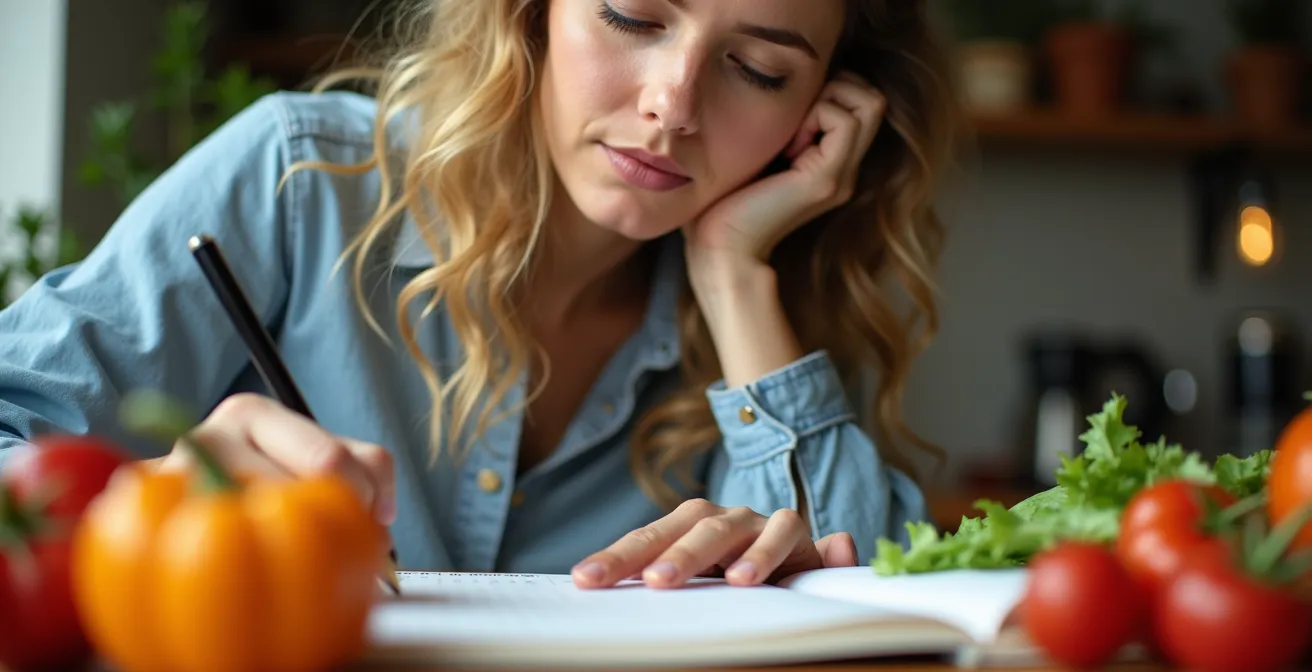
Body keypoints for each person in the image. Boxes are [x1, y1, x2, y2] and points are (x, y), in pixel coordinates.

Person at [0, 0, 958, 589]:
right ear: (529, 11)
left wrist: (733, 274)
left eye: (759, 70)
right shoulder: (299, 181)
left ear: (816, 113)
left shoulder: (780, 307)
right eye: (631, 16)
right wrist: (156, 501)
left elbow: (859, 603)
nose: (673, 106)